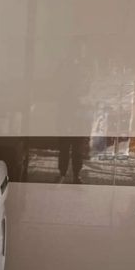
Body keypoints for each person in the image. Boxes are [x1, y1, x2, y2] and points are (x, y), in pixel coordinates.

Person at [54, 36, 93, 184]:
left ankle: (77, 174)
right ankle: (62, 173)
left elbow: (92, 87)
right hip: (66, 109)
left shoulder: (88, 67)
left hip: (81, 111)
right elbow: (56, 84)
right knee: (64, 145)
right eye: (77, 48)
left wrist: (86, 98)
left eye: (82, 48)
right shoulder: (63, 65)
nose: (80, 51)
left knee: (78, 146)